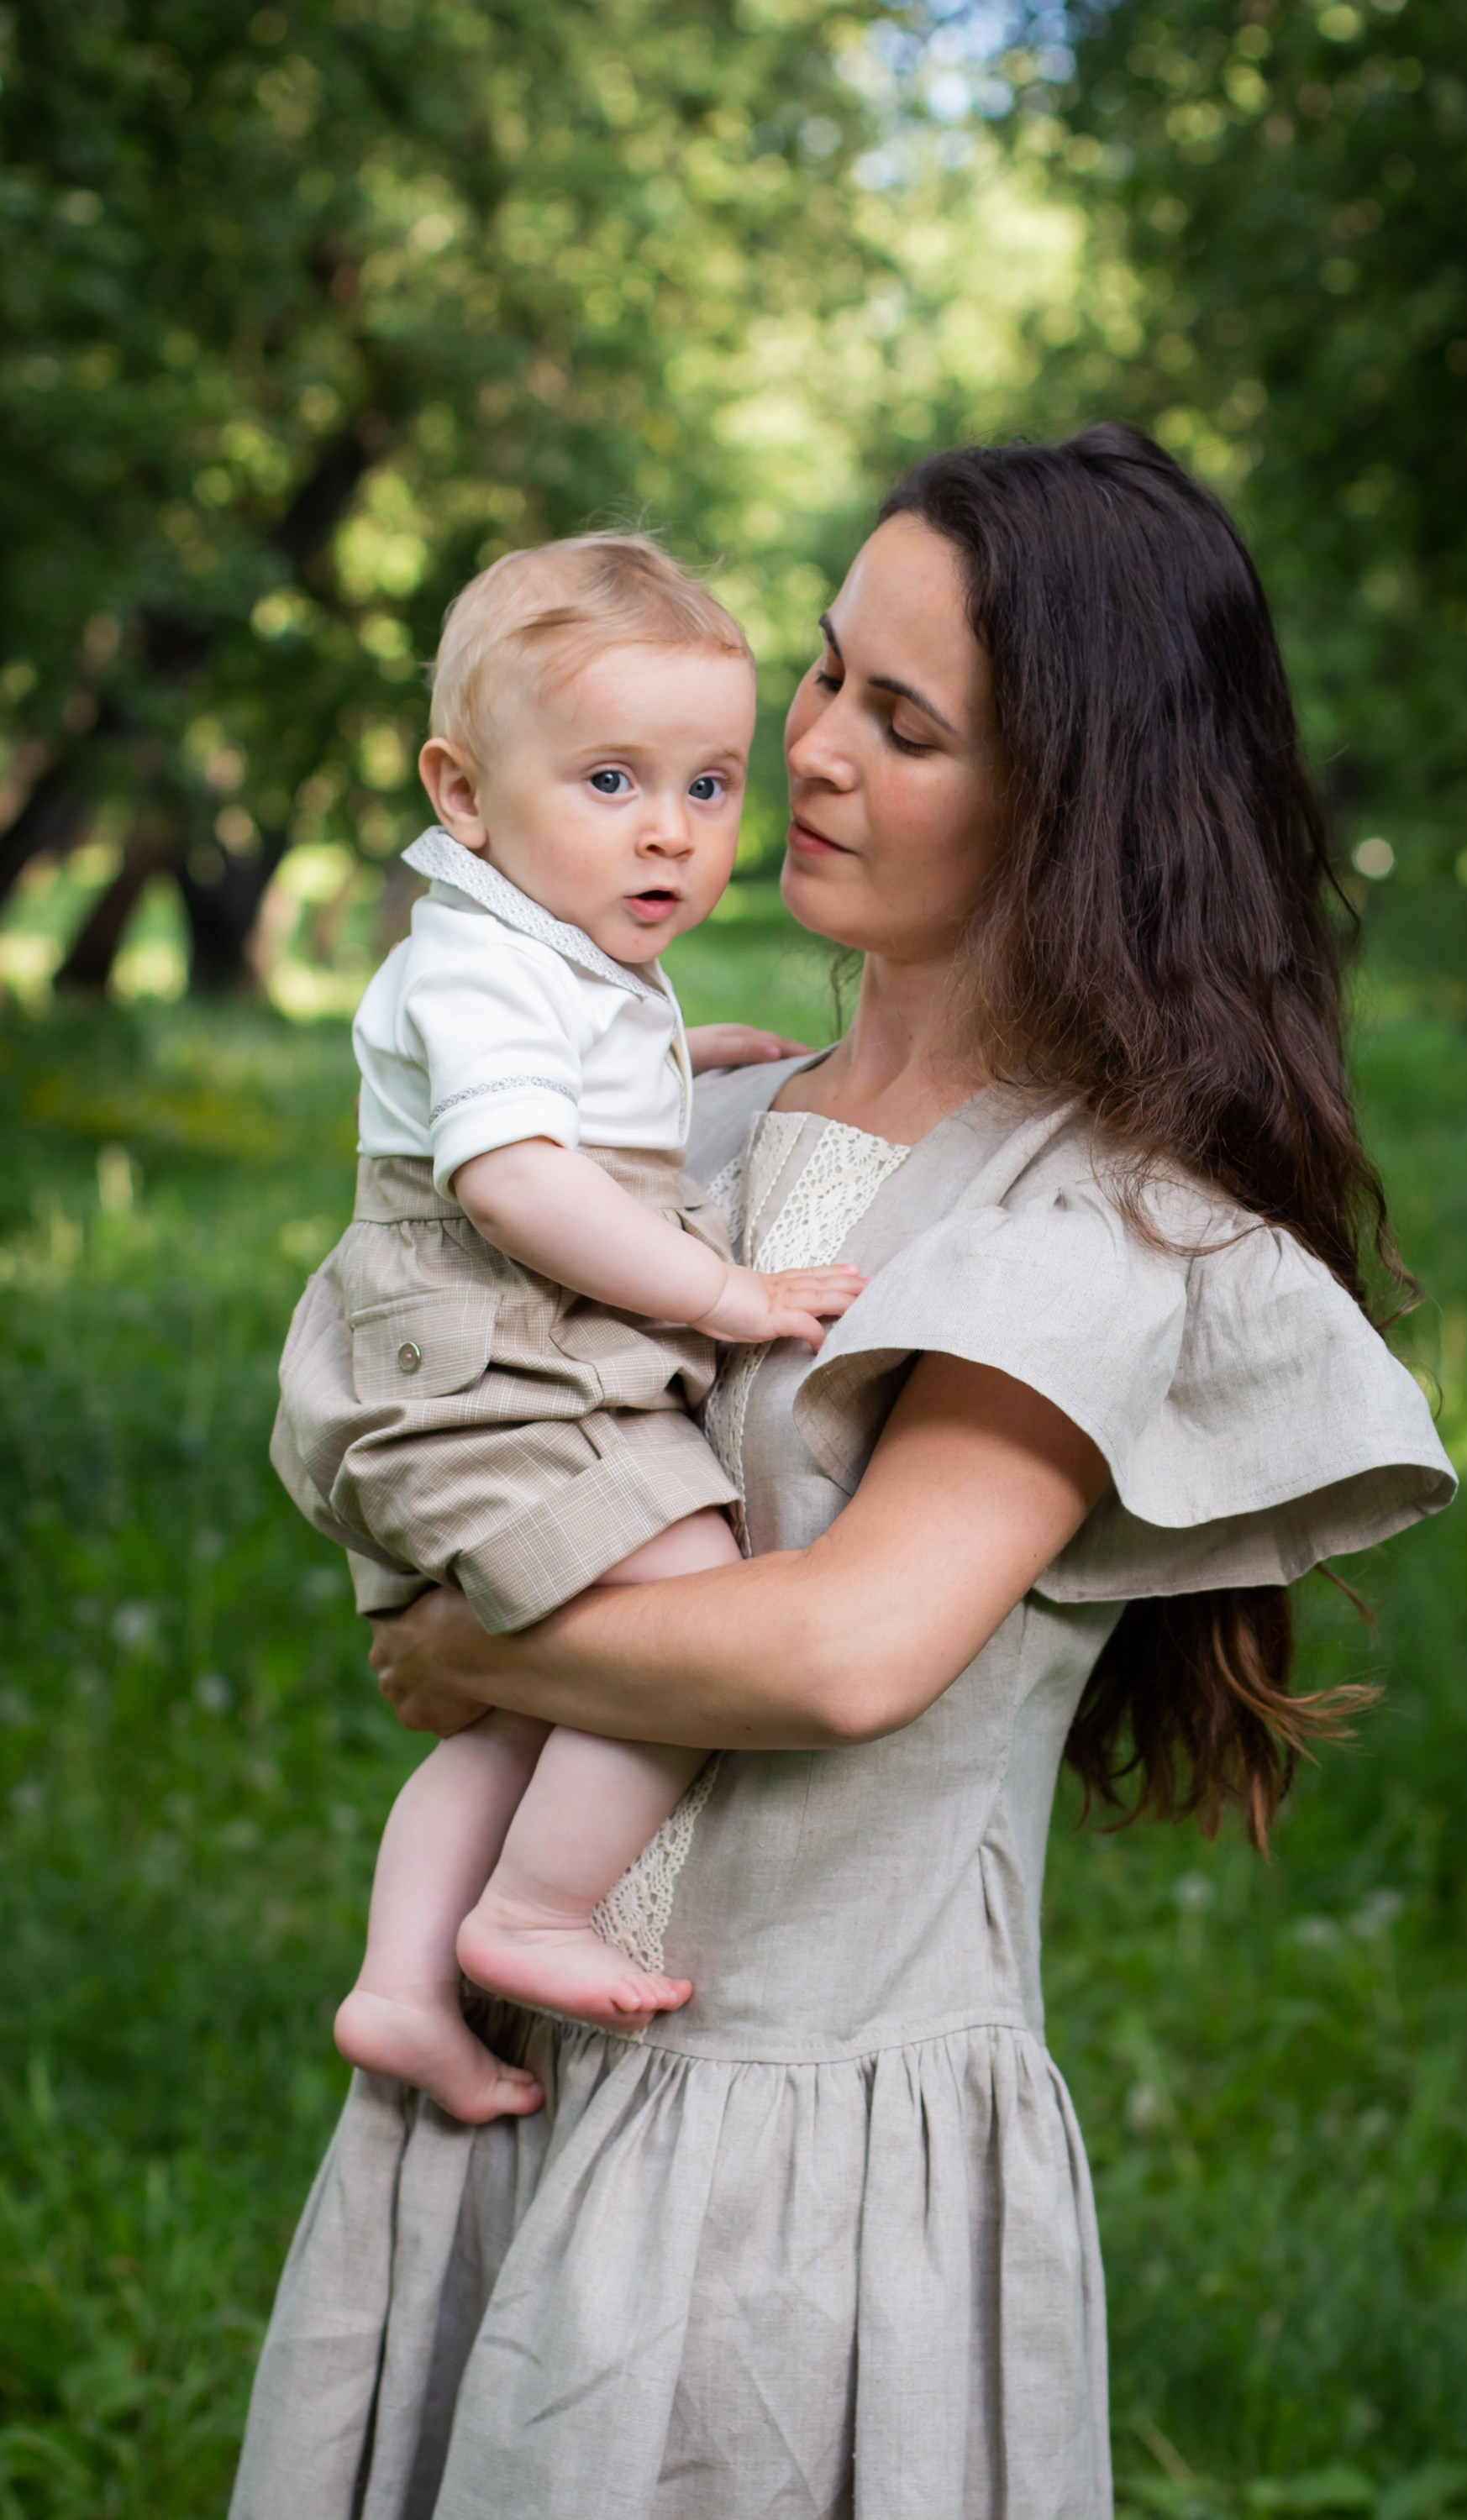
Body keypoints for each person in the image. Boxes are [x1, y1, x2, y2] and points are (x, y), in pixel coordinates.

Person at [232, 424, 1455, 2520]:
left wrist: (480, 1653)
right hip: (514, 2096)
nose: (803, 749)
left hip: (786, 2177)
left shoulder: (1103, 1228)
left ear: (1074, 802)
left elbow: (840, 1651)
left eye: (903, 722)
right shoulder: (683, 1129)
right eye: (818, 673)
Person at [270, 533, 860, 2124]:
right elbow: (523, 1181)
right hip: (489, 1364)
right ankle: (527, 1914)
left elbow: (581, 1095)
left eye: (710, 785)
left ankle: (402, 1984)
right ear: (461, 795)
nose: (671, 831)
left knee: (559, 1692)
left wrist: (684, 1068)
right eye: (610, 782)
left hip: (500, 1368)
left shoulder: (561, 948)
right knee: (693, 1625)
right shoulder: (472, 960)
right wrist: (728, 1296)